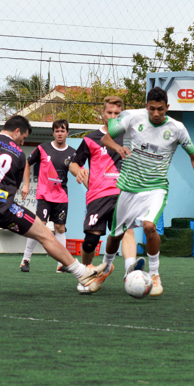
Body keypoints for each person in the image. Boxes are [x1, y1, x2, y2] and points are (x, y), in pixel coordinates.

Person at [0, 80, 109, 295]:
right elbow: (12, 188)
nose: (22, 143)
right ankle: (83, 273)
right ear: (17, 131)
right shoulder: (17, 155)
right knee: (45, 234)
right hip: (3, 209)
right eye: (23, 138)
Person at [100, 86, 194, 297]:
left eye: (161, 109)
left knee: (150, 227)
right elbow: (106, 137)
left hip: (156, 188)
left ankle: (154, 274)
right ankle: (105, 268)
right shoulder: (132, 117)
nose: (156, 114)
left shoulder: (177, 128)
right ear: (146, 106)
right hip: (128, 187)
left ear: (167, 107)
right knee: (116, 236)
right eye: (152, 109)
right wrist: (118, 145)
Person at [68, 96, 136, 293]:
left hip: (123, 193)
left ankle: (130, 272)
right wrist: (78, 171)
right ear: (102, 113)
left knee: (127, 231)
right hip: (98, 196)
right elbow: (74, 163)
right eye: (109, 113)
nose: (113, 116)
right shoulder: (90, 139)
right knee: (90, 242)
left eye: (117, 113)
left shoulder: (130, 137)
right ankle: (86, 274)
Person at [19, 119, 77, 273]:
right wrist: (26, 185)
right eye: (57, 131)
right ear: (53, 133)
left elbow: (79, 171)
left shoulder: (72, 153)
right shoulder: (42, 148)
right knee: (39, 225)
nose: (59, 133)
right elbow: (27, 163)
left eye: (62, 131)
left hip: (62, 197)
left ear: (67, 133)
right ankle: (25, 259)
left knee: (60, 228)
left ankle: (62, 264)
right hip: (44, 195)